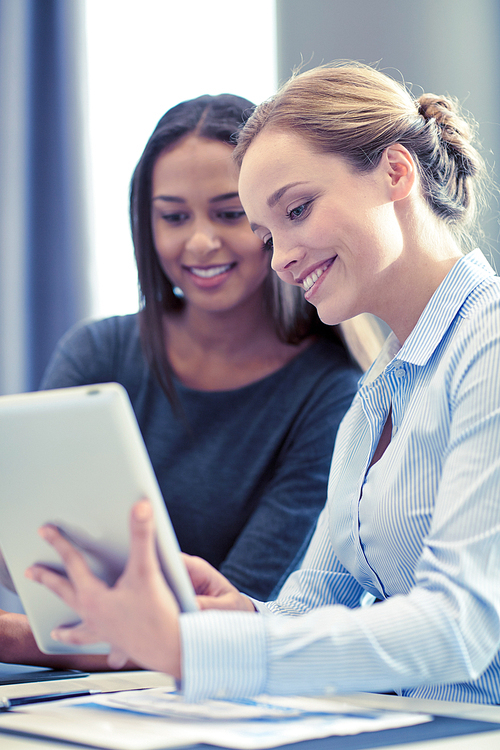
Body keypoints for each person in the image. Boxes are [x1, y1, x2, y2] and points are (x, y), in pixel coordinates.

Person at [27, 60, 500, 704]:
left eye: (297, 211)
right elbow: (317, 598)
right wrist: (241, 615)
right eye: (267, 234)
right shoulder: (380, 388)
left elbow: (460, 629)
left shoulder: (489, 342)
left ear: (396, 172)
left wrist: (188, 647)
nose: (280, 260)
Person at [0, 93, 362, 667]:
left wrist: (18, 637)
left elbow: (225, 624)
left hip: (217, 686)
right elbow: (27, 555)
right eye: (173, 216)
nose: (199, 242)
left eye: (228, 214)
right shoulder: (98, 350)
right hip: (85, 686)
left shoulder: (331, 393)